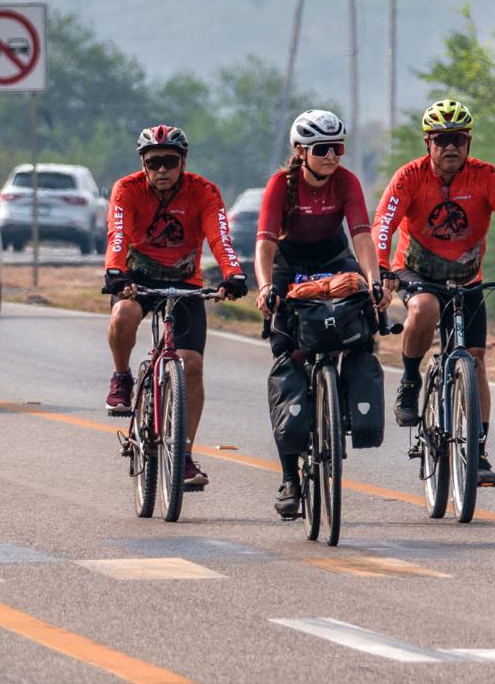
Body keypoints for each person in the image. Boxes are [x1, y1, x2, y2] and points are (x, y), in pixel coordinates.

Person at [373, 99, 495, 486]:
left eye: (459, 139)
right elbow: (383, 224)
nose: (451, 147)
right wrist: (381, 269)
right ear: (428, 143)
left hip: (467, 278)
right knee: (425, 310)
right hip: (416, 271)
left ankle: (478, 450)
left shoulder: (487, 176)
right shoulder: (409, 177)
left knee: (477, 359)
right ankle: (411, 378)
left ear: (469, 143)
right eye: (442, 139)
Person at [253, 110, 389, 516]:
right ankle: (290, 478)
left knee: (362, 323)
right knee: (288, 355)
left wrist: (374, 279)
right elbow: (264, 244)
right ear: (300, 152)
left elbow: (362, 234)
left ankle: (346, 402)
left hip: (334, 258)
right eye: (322, 150)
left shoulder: (346, 182)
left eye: (338, 148)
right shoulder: (282, 185)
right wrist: (264, 288)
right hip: (289, 263)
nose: (332, 157)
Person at [103, 124, 248, 490]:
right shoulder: (127, 189)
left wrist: (233, 274)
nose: (162, 170)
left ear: (183, 162)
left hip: (185, 281)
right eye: (154, 163)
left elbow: (219, 236)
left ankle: (182, 455)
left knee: (192, 364)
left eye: (170, 162)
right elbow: (117, 234)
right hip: (137, 276)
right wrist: (115, 272)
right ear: (143, 163)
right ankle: (121, 376)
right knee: (124, 314)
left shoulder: (203, 191)